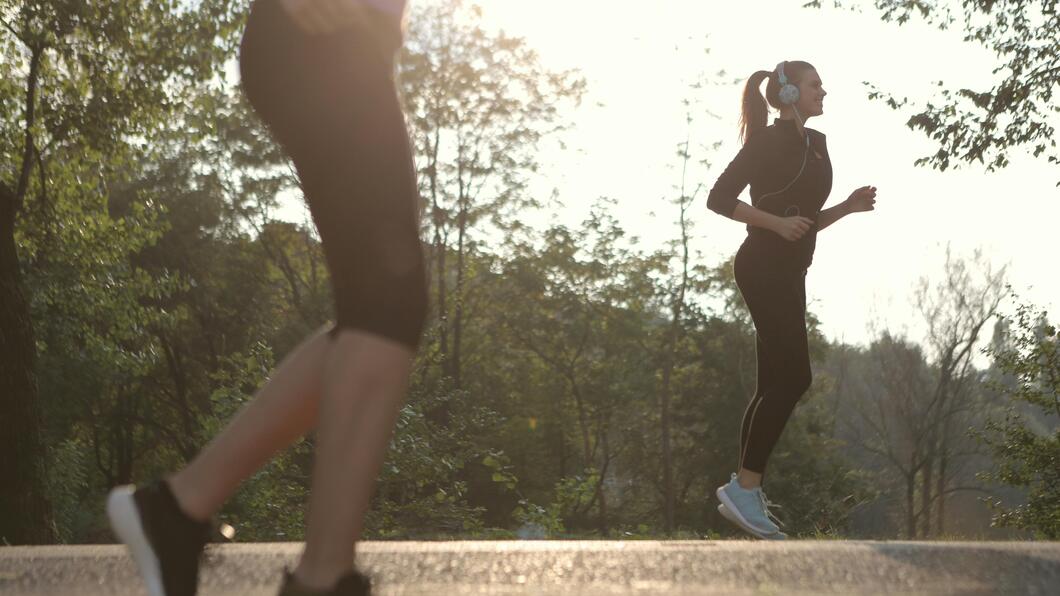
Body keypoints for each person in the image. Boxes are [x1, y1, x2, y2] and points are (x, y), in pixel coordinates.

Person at [106, 0, 425, 594]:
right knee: (387, 307)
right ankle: (321, 575)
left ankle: (176, 510)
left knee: (378, 310)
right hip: (324, 37)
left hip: (343, 42)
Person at [705, 60, 877, 539]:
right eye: (814, 85)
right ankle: (745, 487)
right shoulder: (766, 142)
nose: (823, 91)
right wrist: (775, 224)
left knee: (773, 382)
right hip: (762, 266)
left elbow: (804, 220)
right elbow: (719, 198)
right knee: (795, 376)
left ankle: (745, 488)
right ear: (788, 93)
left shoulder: (816, 145)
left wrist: (846, 208)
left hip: (789, 271)